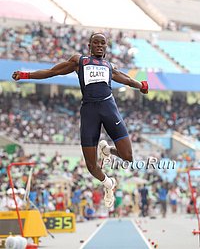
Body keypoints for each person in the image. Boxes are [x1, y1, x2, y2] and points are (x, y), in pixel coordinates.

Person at [12, 32, 148, 208]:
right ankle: (108, 183)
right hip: (89, 113)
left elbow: (128, 79)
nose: (99, 45)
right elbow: (52, 72)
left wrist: (142, 86)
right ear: (89, 46)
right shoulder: (80, 61)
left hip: (109, 110)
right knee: (91, 166)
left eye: (103, 43)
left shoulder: (109, 66)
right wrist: (25, 75)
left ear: (106, 48)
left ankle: (107, 150)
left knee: (128, 156)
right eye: (96, 43)